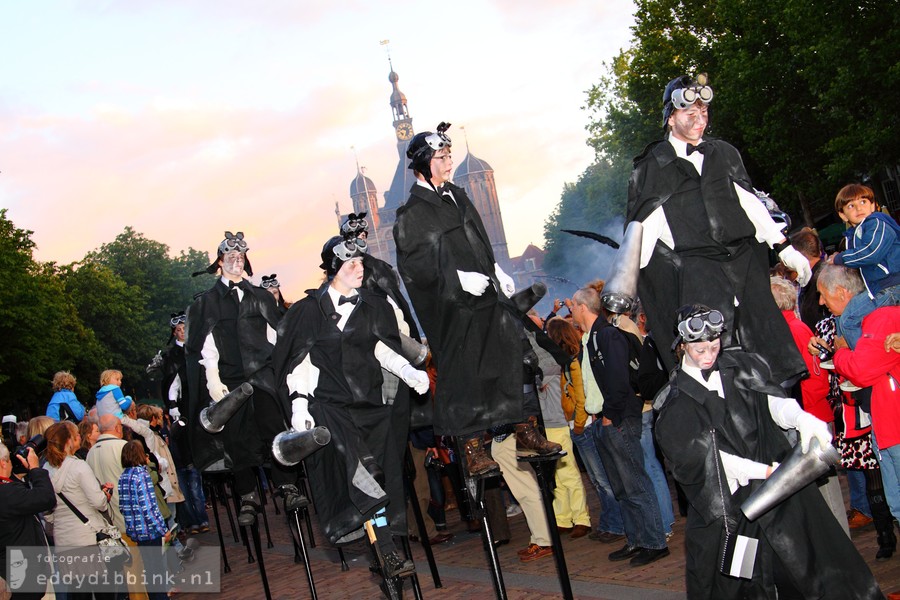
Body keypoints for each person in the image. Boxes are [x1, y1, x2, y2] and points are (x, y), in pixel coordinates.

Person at [655, 304, 882, 598]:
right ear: (682, 346)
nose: (710, 355)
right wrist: (764, 472)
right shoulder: (674, 403)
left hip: (778, 498)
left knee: (809, 571)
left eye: (715, 346)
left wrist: (802, 419)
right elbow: (706, 463)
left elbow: (772, 403)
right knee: (740, 584)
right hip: (729, 511)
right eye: (700, 350)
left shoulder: (742, 366)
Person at [393, 121, 558, 476]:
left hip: (488, 297)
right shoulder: (411, 215)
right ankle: (472, 447)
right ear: (422, 165)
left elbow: (479, 239)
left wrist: (495, 269)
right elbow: (415, 267)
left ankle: (523, 424)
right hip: (454, 310)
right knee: (464, 370)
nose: (448, 162)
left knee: (509, 354)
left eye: (449, 155)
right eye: (440, 157)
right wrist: (454, 281)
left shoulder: (460, 195)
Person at [626, 73, 810, 386]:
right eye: (690, 114)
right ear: (671, 119)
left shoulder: (724, 152)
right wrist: (626, 278)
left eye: (705, 112)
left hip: (744, 266)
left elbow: (749, 202)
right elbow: (644, 226)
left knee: (768, 362)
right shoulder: (651, 166)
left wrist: (785, 248)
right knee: (714, 368)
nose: (700, 121)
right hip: (698, 273)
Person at [273, 234, 430, 580]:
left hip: (371, 408)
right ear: (333, 269)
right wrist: (300, 407)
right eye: (352, 264)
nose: (361, 269)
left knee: (381, 478)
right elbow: (302, 363)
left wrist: (406, 370)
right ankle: (387, 552)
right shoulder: (308, 312)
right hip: (332, 409)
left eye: (361, 262)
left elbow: (381, 348)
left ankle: (381, 548)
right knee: (363, 475)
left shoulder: (374, 305)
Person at [185, 231, 304, 525]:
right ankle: (248, 494)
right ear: (220, 262)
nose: (237, 262)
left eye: (241, 258)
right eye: (231, 258)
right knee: (236, 436)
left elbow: (278, 336)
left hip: (262, 375)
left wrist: (285, 371)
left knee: (274, 426)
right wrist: (212, 378)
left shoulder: (260, 296)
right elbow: (205, 344)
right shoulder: (208, 303)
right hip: (231, 380)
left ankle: (286, 485)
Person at [570, 285, 669, 566]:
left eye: (573, 306)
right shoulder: (592, 337)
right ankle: (636, 539)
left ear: (582, 307)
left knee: (635, 482)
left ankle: (654, 542)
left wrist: (610, 414)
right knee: (621, 487)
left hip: (619, 418)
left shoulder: (608, 335)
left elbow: (618, 379)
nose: (571, 311)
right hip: (605, 419)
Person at [813, 262, 900, 555]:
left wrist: (840, 354)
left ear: (841, 291)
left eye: (823, 294)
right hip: (885, 426)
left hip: (894, 426)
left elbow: (861, 369)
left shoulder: (882, 317)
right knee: (896, 503)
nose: (820, 302)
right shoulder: (865, 321)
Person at [769, 275, 848, 533]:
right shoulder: (792, 328)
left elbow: (816, 380)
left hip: (810, 414)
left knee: (825, 486)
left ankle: (839, 543)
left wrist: (801, 412)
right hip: (810, 412)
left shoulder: (793, 330)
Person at [43, 421, 115, 600]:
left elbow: (47, 510)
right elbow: (98, 502)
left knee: (77, 591)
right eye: (75, 436)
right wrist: (105, 494)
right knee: (103, 590)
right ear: (68, 441)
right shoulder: (79, 467)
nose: (78, 438)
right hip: (87, 538)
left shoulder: (45, 471)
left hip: (64, 540)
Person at [829, 183, 900, 348]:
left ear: (874, 205)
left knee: (849, 319)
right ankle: (846, 349)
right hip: (881, 286)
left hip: (892, 285)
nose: (858, 208)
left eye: (863, 202)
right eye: (851, 205)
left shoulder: (877, 223)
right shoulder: (857, 233)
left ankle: (864, 359)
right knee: (843, 315)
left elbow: (871, 253)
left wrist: (840, 258)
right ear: (843, 215)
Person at [118, 441, 173, 600]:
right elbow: (149, 507)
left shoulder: (124, 476)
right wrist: (163, 529)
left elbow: (123, 506)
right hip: (150, 530)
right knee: (156, 570)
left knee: (149, 569)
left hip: (136, 531)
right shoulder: (142, 475)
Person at [0, 443, 55, 600]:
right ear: (3, 463)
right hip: (20, 573)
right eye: (9, 460)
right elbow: (46, 498)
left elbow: (20, 500)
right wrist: (36, 470)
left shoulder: (8, 492)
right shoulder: (7, 493)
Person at [86, 415, 129, 534]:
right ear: (117, 428)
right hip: (128, 517)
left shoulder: (91, 452)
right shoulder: (124, 447)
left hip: (107, 518)